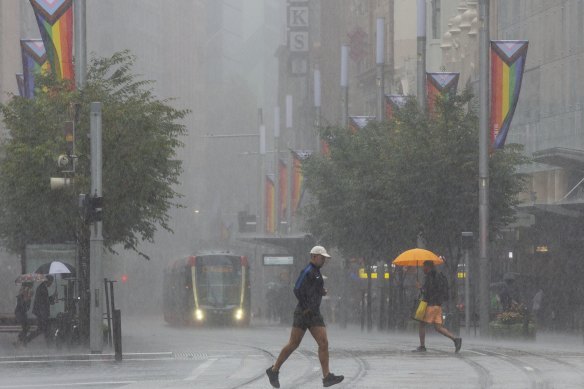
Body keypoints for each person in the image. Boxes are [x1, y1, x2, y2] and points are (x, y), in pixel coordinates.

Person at [266, 246, 344, 388]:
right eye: (322, 258)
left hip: (314, 313)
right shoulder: (307, 271)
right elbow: (297, 289)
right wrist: (307, 306)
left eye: (325, 258)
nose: (324, 260)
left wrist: (321, 291)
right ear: (314, 256)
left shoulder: (317, 273)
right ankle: (274, 370)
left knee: (324, 343)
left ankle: (327, 377)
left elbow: (312, 289)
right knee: (293, 344)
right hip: (304, 313)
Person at [413, 260, 461, 353]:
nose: (423, 269)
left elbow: (428, 292)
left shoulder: (430, 277)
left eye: (424, 267)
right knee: (438, 327)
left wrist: (420, 287)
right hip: (437, 306)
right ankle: (456, 339)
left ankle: (422, 346)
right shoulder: (438, 276)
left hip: (431, 305)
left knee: (422, 324)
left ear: (428, 267)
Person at [25, 275, 57, 345]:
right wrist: (52, 298)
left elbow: (45, 300)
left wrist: (52, 297)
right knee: (42, 329)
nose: (51, 284)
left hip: (41, 312)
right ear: (48, 281)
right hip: (41, 313)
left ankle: (49, 343)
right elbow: (44, 302)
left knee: (44, 329)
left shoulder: (42, 287)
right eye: (51, 282)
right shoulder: (42, 288)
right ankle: (26, 340)